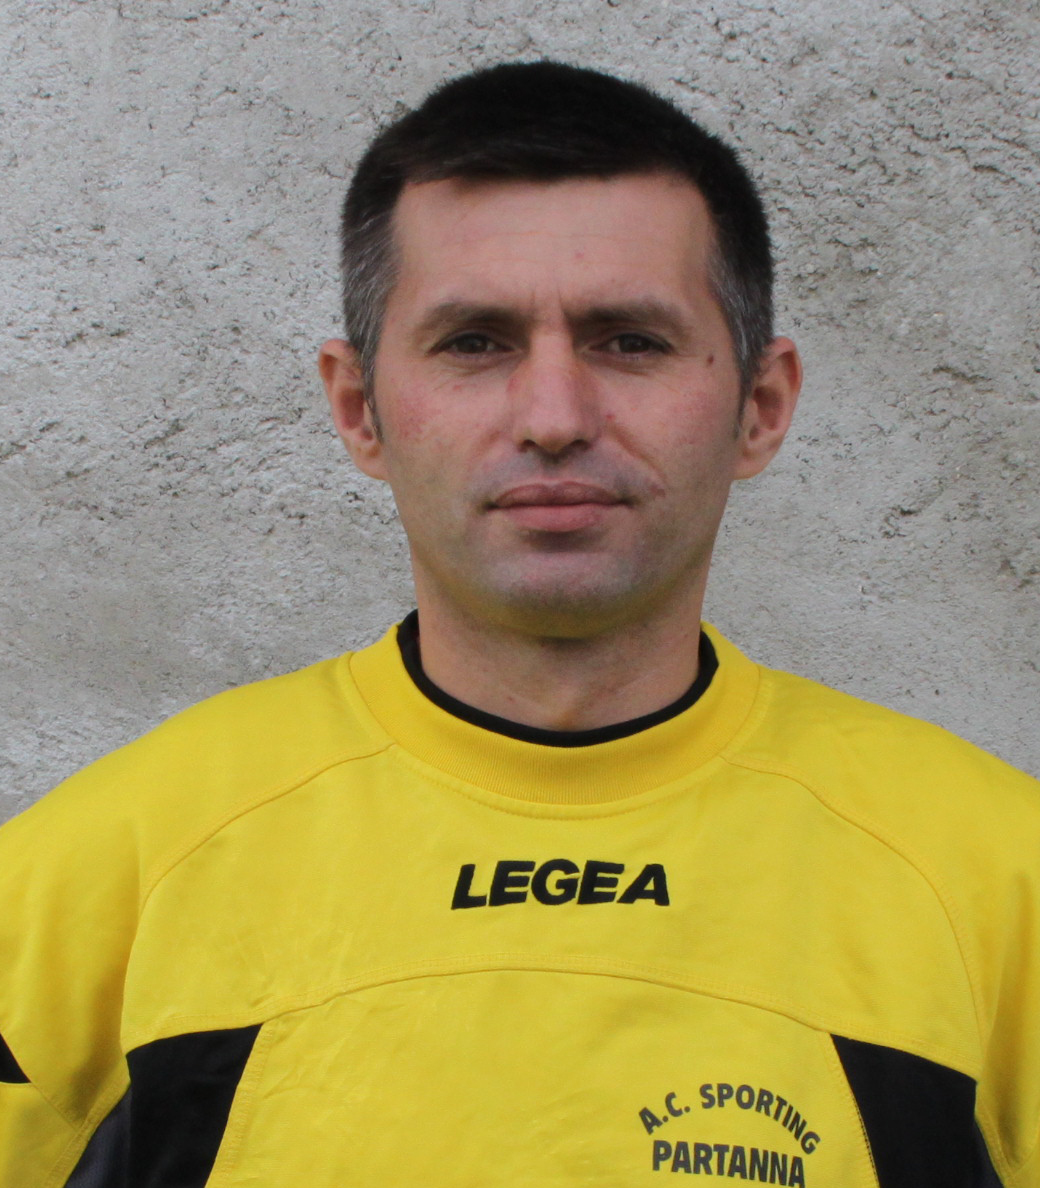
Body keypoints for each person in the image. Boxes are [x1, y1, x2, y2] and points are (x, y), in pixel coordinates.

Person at [1, 60, 1037, 1188]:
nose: (553, 417)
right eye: (474, 342)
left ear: (760, 404)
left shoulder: (995, 886)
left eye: (628, 340)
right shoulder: (90, 883)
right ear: (358, 407)